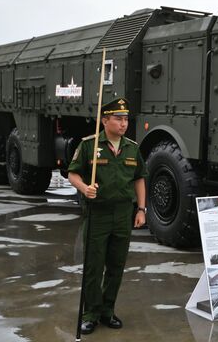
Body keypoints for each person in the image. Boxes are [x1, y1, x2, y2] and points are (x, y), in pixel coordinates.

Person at [67, 98, 147, 335]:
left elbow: (139, 178)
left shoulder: (132, 148)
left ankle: (107, 311)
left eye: (125, 119)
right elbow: (73, 174)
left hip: (123, 214)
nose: (123, 124)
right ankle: (90, 313)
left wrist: (141, 209)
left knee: (116, 265)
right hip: (98, 213)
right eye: (118, 119)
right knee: (94, 265)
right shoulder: (89, 146)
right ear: (105, 120)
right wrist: (84, 189)